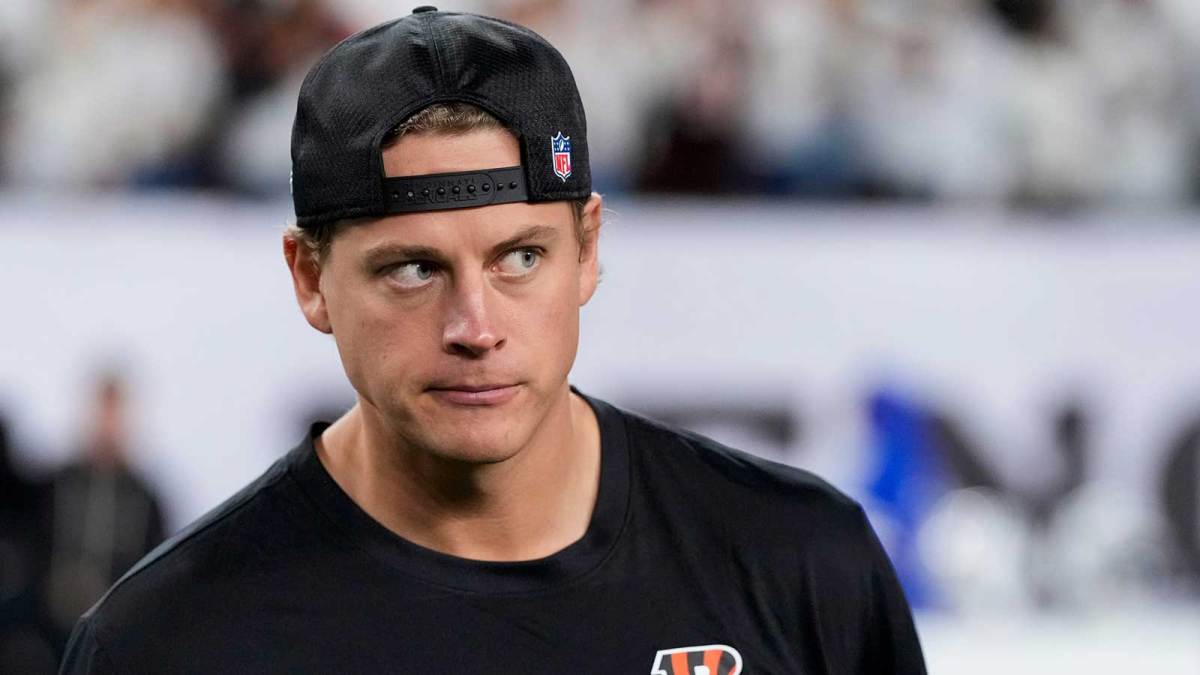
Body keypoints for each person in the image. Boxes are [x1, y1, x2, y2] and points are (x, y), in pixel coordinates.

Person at [61, 7, 926, 673]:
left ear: (588, 250)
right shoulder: (167, 643)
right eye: (412, 269)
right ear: (310, 278)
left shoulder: (802, 565)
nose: (475, 327)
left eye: (520, 257)